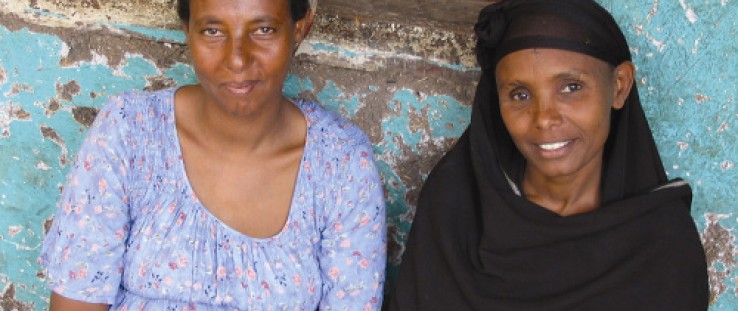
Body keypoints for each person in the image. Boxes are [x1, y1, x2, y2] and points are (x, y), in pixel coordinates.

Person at [40, 0, 386, 310]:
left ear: (299, 30)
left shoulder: (341, 163)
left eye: (263, 29)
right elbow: (77, 302)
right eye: (212, 30)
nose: (237, 59)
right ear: (187, 32)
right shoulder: (129, 132)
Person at [389, 0, 708, 310]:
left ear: (619, 86)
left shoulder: (662, 246)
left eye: (571, 87)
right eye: (520, 94)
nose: (544, 118)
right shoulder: (457, 204)